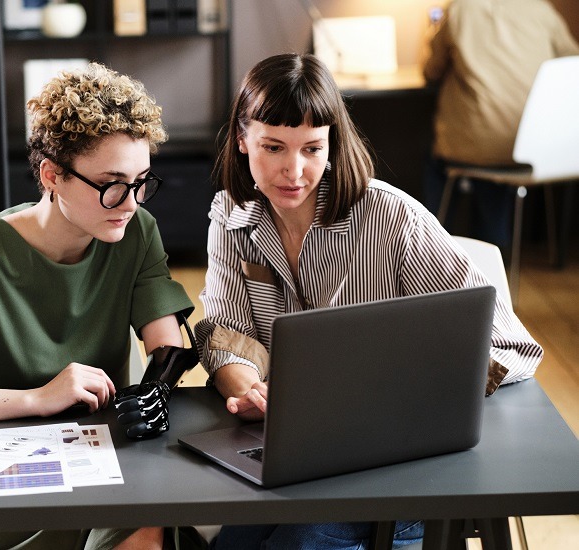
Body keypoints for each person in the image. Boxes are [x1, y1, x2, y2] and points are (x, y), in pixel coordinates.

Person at [195, 53, 544, 550]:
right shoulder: (232, 216)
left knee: (297, 545)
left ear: (333, 144)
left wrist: (413, 392)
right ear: (242, 139)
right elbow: (227, 334)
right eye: (273, 147)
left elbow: (512, 345)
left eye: (312, 149)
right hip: (292, 456)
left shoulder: (392, 218)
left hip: (397, 466)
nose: (293, 171)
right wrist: (251, 392)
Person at [0, 62, 205, 550]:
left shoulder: (136, 232)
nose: (130, 203)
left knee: (145, 535)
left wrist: (156, 387)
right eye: (112, 183)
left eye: (141, 182)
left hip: (106, 466)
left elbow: (165, 345)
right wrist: (36, 399)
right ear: (52, 175)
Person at [422, 0, 579, 252]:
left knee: (439, 160)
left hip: (479, 148)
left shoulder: (460, 10)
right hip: (540, 148)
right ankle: (495, 246)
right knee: (493, 165)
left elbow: (431, 71)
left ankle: (433, 248)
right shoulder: (542, 10)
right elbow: (572, 64)